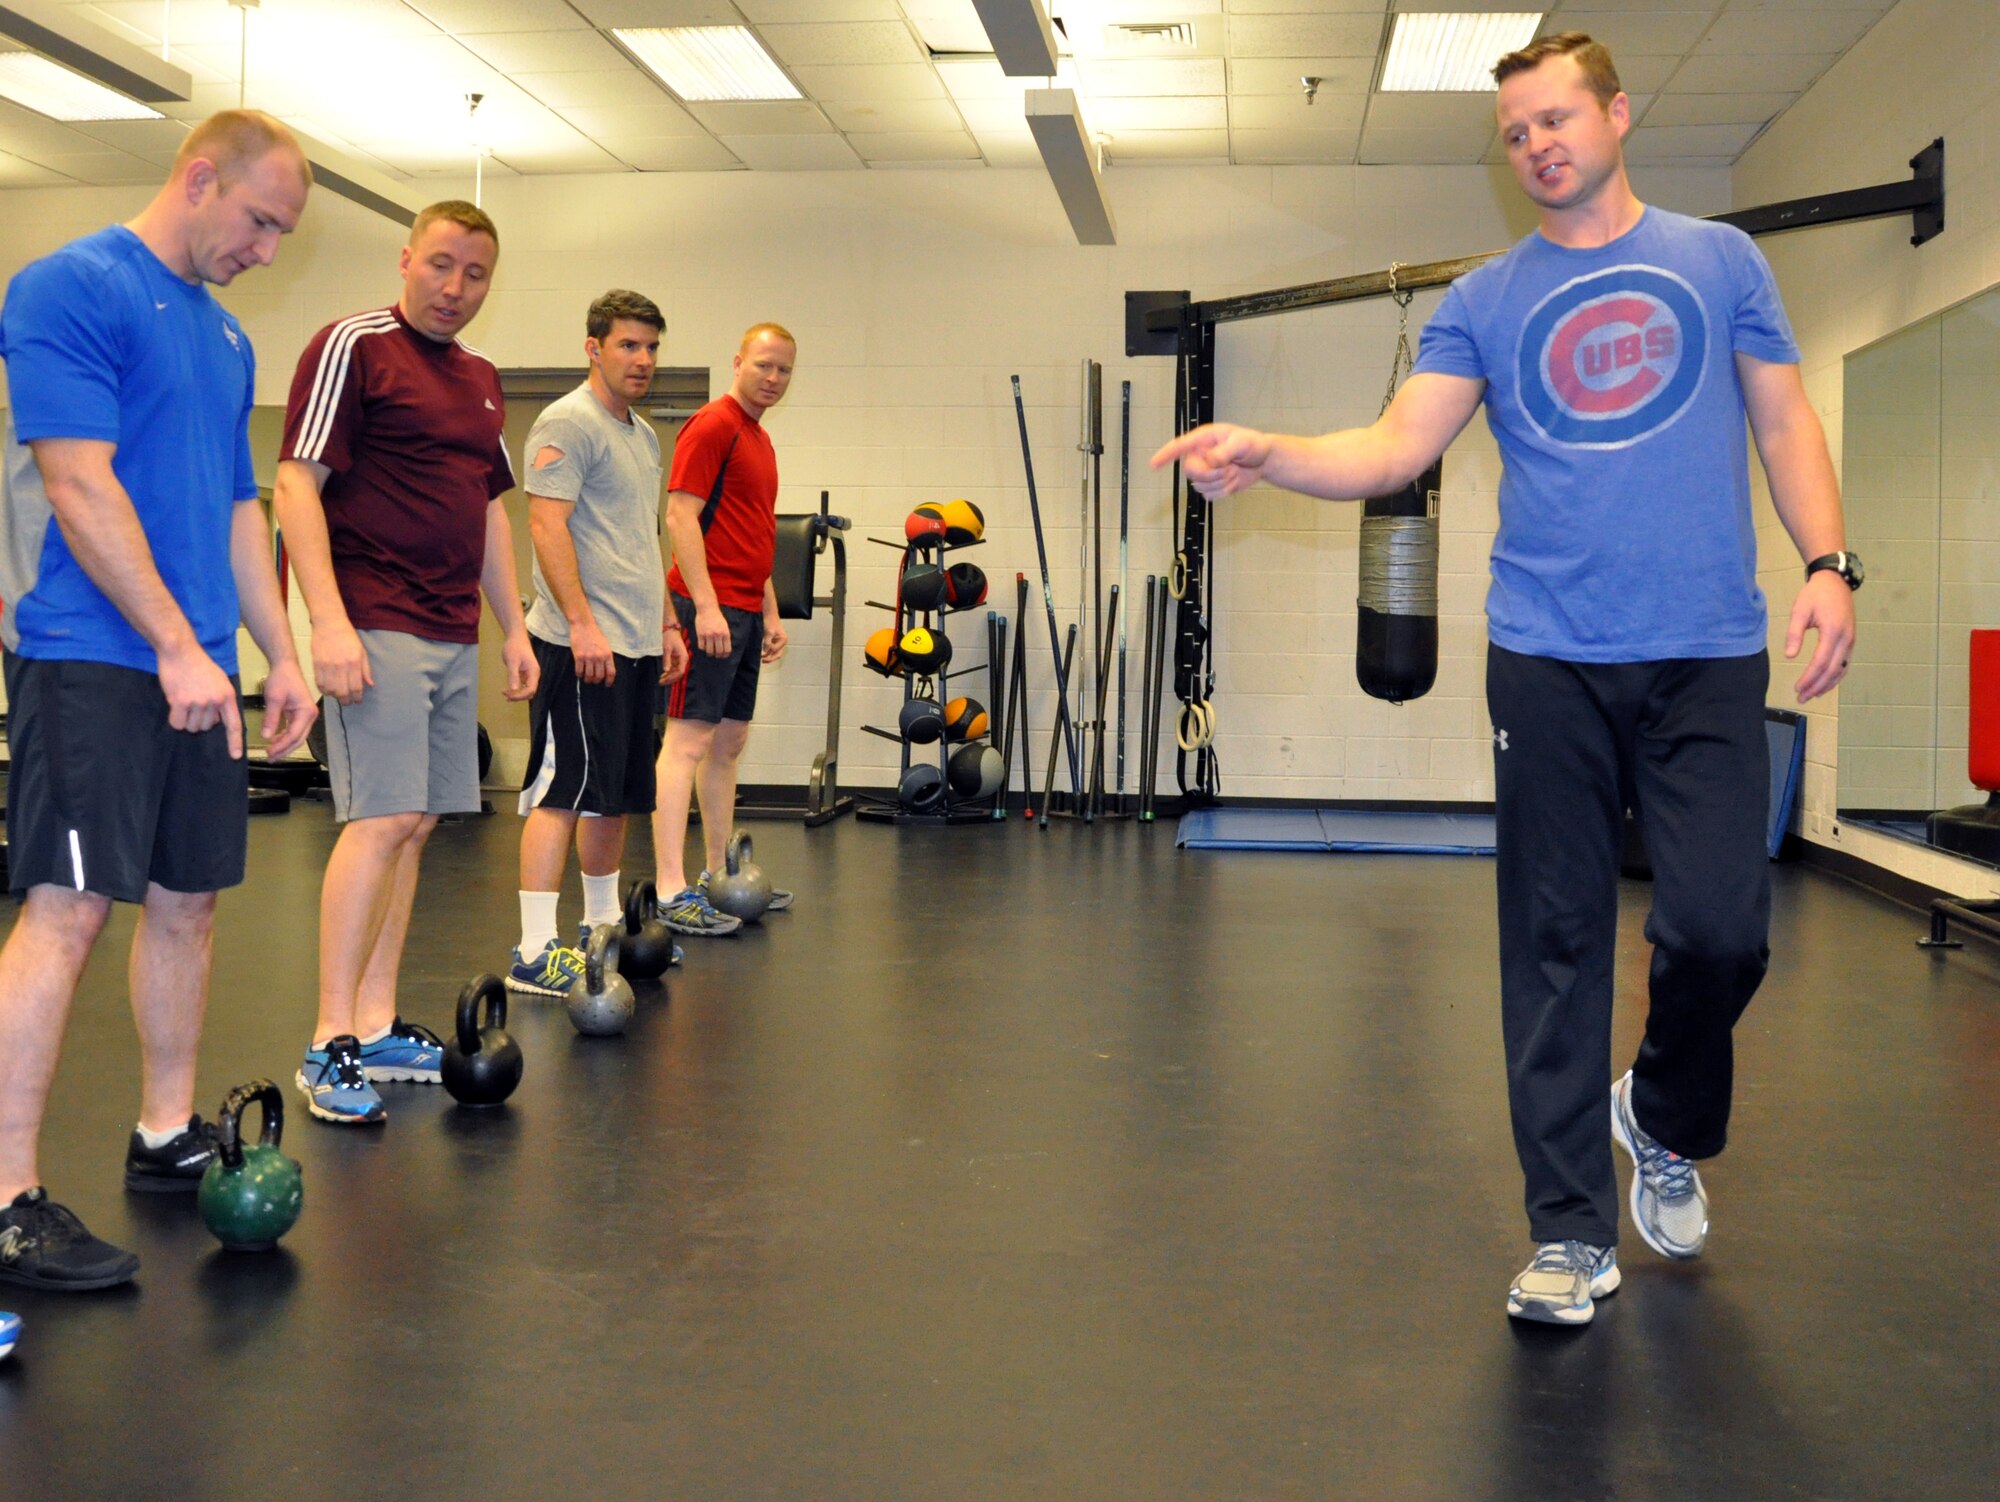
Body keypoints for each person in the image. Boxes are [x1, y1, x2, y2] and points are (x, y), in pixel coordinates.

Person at [1152, 32, 1858, 1327]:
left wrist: (1830, 559)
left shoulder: (1719, 262)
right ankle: (1569, 1231)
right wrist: (1267, 448)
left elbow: (1784, 418)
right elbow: (1388, 448)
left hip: (1706, 646)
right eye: (1516, 130)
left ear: (1617, 114)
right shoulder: (1485, 299)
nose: (1536, 143)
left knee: (1721, 928)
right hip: (1546, 656)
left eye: (1554, 118)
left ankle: (1660, 1110)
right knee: (1556, 940)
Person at [0, 111, 316, 1294]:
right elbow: (75, 479)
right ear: (199, 180)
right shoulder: (69, 285)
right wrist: (178, 644)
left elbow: (241, 509)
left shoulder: (228, 338)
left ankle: (165, 1127)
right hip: (92, 652)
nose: (268, 249)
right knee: (68, 907)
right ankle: (7, 1197)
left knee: (190, 900)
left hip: (191, 662)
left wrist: (276, 650)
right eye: (260, 221)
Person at [274, 200, 536, 1126]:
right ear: (406, 259)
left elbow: (490, 508)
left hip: (451, 626)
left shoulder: (480, 379)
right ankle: (327, 1040)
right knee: (379, 821)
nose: (455, 289)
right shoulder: (355, 345)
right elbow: (296, 482)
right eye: (440, 266)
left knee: (418, 824)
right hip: (375, 619)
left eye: (474, 275)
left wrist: (513, 626)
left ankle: (377, 1022)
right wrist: (328, 622)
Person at [512, 289, 688, 993]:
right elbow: (546, 527)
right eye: (628, 345)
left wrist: (668, 621)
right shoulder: (567, 421)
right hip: (578, 643)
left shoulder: (642, 435)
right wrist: (583, 624)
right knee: (562, 791)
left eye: (650, 347)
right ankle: (532, 951)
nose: (642, 360)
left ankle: (601, 924)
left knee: (611, 793)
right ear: (594, 348)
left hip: (636, 644)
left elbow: (639, 541)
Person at [652, 323, 799, 935]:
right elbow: (679, 514)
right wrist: (707, 608)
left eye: (784, 370)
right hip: (703, 609)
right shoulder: (713, 424)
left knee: (729, 743)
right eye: (764, 365)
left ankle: (718, 874)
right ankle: (669, 889)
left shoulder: (759, 440)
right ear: (738, 361)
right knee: (685, 744)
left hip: (741, 608)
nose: (773, 378)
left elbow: (754, 533)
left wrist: (768, 612)